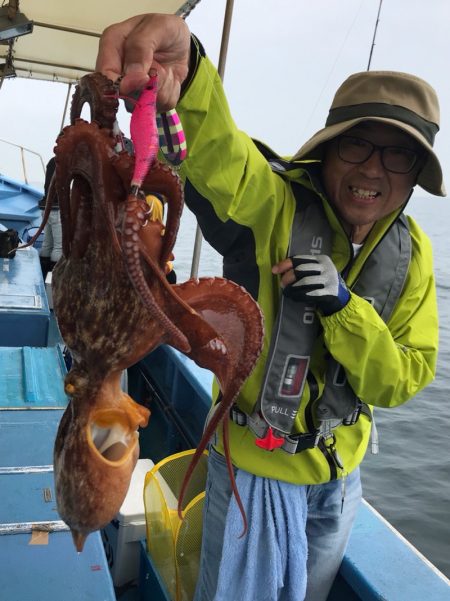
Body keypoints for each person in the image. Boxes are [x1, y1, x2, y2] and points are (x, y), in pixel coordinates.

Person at [96, 14, 443, 601]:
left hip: (340, 484)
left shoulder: (414, 254)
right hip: (254, 473)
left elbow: (402, 379)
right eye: (359, 144)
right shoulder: (276, 206)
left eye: (398, 157)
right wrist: (193, 68)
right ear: (329, 152)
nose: (373, 170)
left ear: (413, 179)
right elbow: (224, 160)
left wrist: (342, 308)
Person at [39, 156, 62, 279]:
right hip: (57, 209)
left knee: (46, 244)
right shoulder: (65, 160)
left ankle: (42, 275)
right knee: (59, 247)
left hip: (46, 208)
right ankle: (53, 279)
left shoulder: (52, 160)